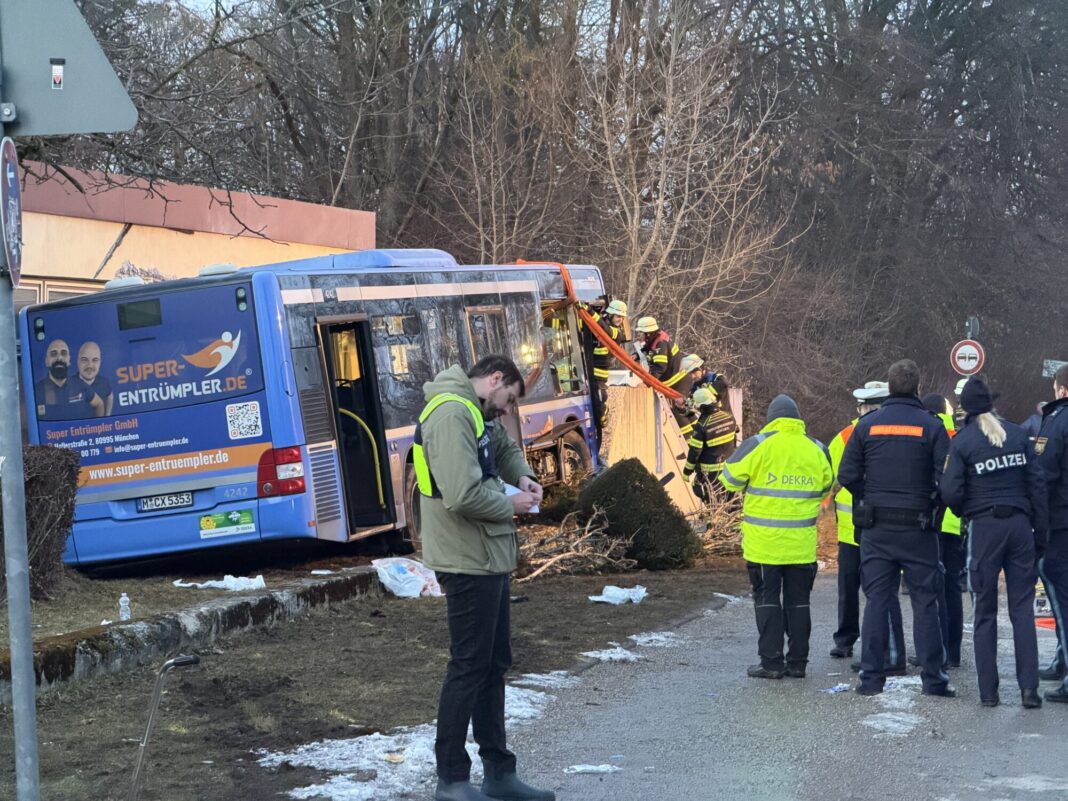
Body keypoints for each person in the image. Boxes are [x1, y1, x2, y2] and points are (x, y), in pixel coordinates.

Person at [414, 355, 554, 801]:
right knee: (469, 666)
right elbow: (462, 494)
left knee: (491, 666)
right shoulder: (452, 412)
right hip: (465, 558)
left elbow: (502, 447)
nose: (507, 410)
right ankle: (452, 779)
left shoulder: (474, 410)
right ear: (495, 379)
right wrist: (511, 506)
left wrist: (524, 477)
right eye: (509, 398)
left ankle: (498, 772)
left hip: (486, 555)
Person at [838, 359, 955, 698]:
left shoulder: (867, 425)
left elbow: (847, 475)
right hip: (919, 529)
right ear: (917, 387)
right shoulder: (932, 426)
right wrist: (933, 505)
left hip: (876, 529)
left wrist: (868, 497)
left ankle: (871, 680)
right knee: (926, 603)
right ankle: (934, 681)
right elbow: (945, 481)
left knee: (877, 601)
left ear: (889, 388)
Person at [941, 377, 1046, 708]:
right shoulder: (1018, 435)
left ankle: (989, 693)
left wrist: (966, 511)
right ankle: (1030, 690)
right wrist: (1039, 535)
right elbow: (1037, 486)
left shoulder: (963, 442)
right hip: (1019, 528)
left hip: (985, 529)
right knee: (1021, 610)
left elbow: (950, 492)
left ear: (965, 411)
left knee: (984, 611)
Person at [720, 394, 833, 679]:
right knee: (799, 602)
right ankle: (798, 663)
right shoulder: (817, 448)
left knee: (767, 599)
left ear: (771, 419)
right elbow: (827, 485)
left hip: (763, 545)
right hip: (801, 545)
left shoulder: (757, 445)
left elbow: (728, 480)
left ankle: (771, 663)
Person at [828, 381, 907, 675]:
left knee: (862, 589)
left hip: (861, 526)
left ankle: (854, 642)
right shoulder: (847, 434)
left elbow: (836, 476)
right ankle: (851, 641)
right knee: (871, 590)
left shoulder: (850, 434)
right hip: (863, 526)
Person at [922, 392, 965, 669]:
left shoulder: (928, 430)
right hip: (956, 521)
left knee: (933, 589)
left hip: (935, 519)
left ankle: (937, 650)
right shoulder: (958, 432)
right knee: (952, 588)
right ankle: (954, 652)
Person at [1036, 364, 1068, 703]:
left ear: (1062, 389)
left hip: (1062, 522)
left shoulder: (1059, 420)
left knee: (1062, 598)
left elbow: (1044, 475)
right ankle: (1062, 660)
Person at [682, 386, 738, 501]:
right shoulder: (729, 417)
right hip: (730, 468)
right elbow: (734, 440)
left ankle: (712, 517)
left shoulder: (702, 426)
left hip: (711, 473)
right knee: (731, 499)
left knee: (709, 497)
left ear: (701, 407)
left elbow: (694, 452)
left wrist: (687, 472)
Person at [634, 316, 682, 385]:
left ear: (648, 333)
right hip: (671, 379)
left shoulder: (661, 344)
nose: (638, 334)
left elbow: (659, 368)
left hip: (675, 382)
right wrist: (636, 355)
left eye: (641, 332)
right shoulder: (655, 339)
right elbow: (649, 350)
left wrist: (646, 383)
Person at [75, 341, 113, 417]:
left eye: (95, 360)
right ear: (78, 361)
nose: (90, 365)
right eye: (84, 359)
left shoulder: (104, 382)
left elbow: (110, 396)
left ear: (100, 363)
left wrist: (108, 415)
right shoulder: (67, 385)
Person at [671, 354, 705, 436]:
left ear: (700, 368)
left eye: (694, 372)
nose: (692, 376)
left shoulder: (712, 381)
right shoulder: (695, 385)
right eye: (690, 373)